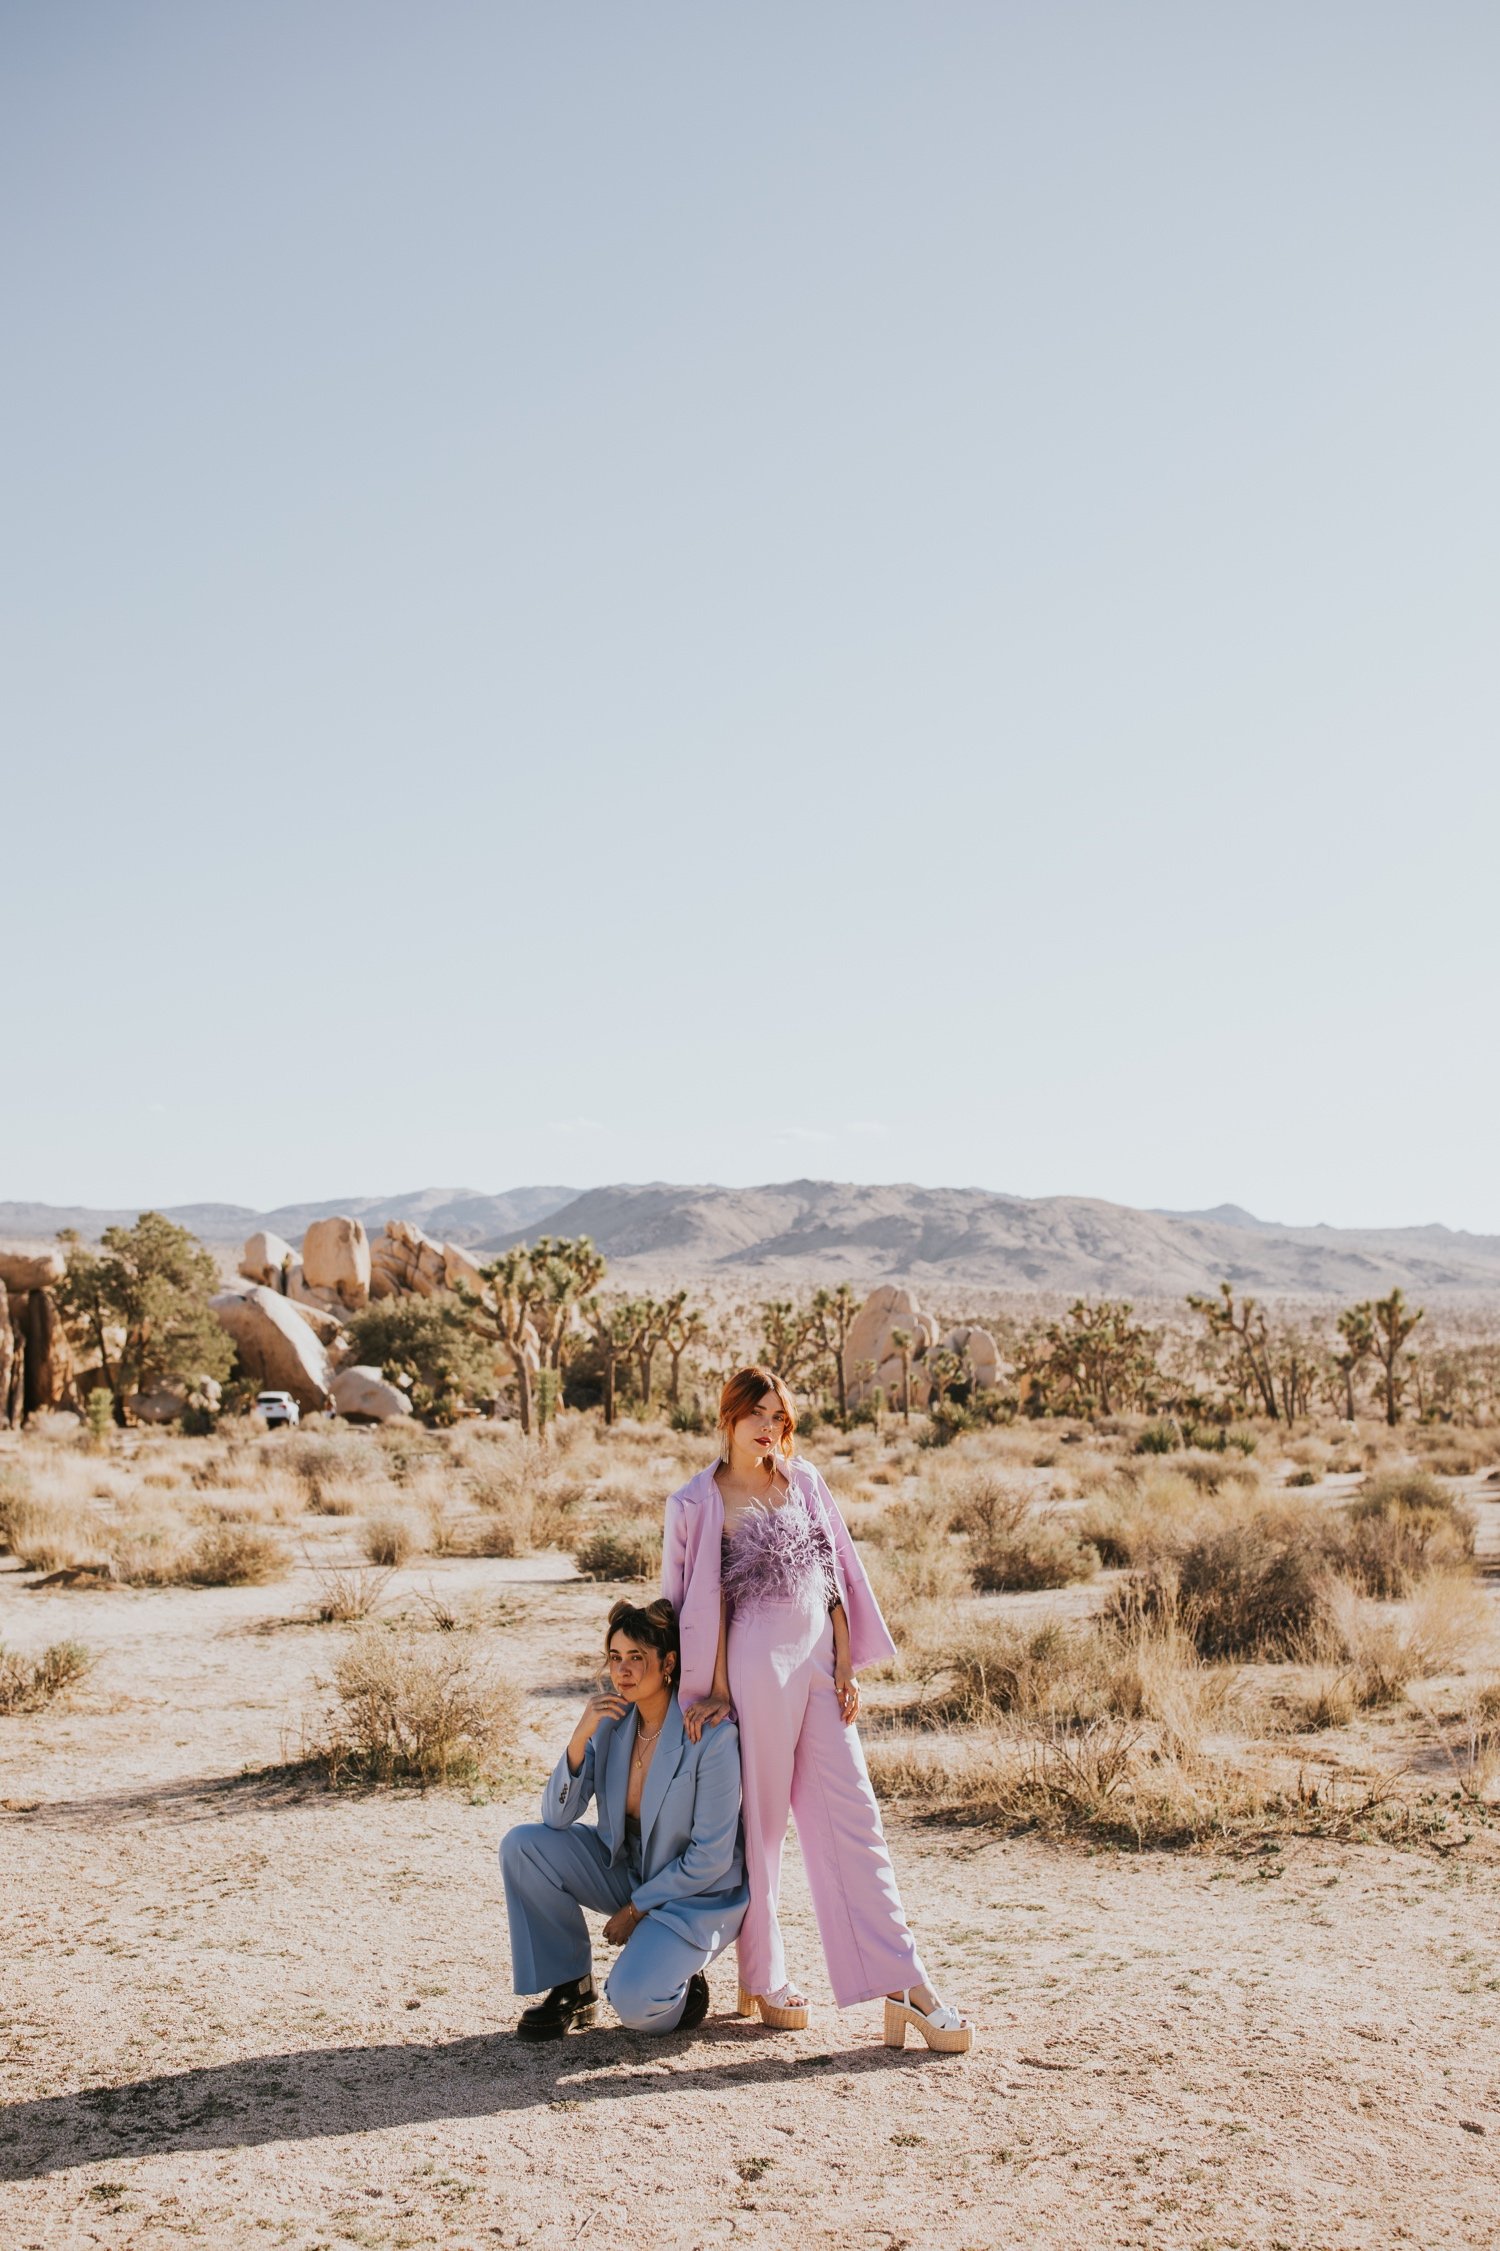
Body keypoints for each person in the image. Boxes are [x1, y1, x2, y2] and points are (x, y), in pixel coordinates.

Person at [663, 1366, 973, 2055]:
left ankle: (902, 1983)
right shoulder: (697, 1500)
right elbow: (694, 1606)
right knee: (762, 1826)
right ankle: (763, 1974)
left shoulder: (804, 1481)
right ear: (729, 1417)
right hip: (751, 1670)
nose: (769, 1427)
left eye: (779, 1415)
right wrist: (712, 1690)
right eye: (756, 1414)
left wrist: (842, 1658)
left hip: (817, 1669)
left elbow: (833, 1573)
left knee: (855, 1815)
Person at [500, 1596, 748, 2038]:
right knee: (523, 1845)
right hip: (628, 1870)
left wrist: (636, 1910)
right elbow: (556, 1817)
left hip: (693, 1895)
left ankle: (683, 1981)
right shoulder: (612, 1725)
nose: (624, 1671)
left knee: (635, 2007)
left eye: (637, 1658)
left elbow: (710, 1858)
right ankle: (572, 1986)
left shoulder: (711, 1737)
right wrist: (580, 1736)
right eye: (615, 1658)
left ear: (668, 1662)